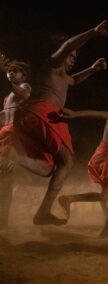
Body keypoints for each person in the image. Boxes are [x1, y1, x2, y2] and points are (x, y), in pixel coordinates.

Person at [12, 20, 108, 226]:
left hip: (35, 117)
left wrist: (92, 69)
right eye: (71, 56)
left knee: (50, 167)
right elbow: (68, 45)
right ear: (60, 52)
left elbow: (74, 81)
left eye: (74, 57)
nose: (72, 59)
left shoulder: (63, 75)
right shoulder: (53, 62)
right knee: (66, 161)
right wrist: (94, 32)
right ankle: (42, 212)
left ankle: (14, 158)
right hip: (42, 113)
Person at [57, 88, 108, 237]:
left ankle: (69, 199)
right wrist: (75, 114)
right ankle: (106, 230)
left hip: (105, 156)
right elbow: (99, 114)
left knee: (104, 197)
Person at [0, 57, 31, 228]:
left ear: (23, 75)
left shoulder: (24, 87)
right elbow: (5, 116)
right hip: (4, 134)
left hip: (14, 135)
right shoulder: (8, 97)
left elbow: (24, 94)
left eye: (14, 71)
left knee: (5, 178)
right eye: (8, 71)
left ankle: (2, 222)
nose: (10, 73)